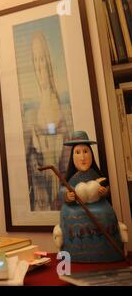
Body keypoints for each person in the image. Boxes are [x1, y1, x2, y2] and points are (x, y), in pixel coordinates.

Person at [55, 131, 125, 262]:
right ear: (72, 157)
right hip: (74, 209)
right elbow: (62, 190)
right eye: (78, 152)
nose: (82, 157)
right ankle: (74, 253)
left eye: (86, 151)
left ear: (91, 154)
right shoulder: (72, 178)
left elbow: (105, 186)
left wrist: (104, 192)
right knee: (69, 217)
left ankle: (107, 251)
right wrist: (67, 195)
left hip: (99, 206)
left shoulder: (95, 175)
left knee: (106, 213)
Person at [26, 31, 71, 211]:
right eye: (35, 60)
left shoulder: (63, 106)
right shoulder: (31, 111)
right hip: (41, 197)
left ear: (50, 62)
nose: (39, 66)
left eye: (42, 59)